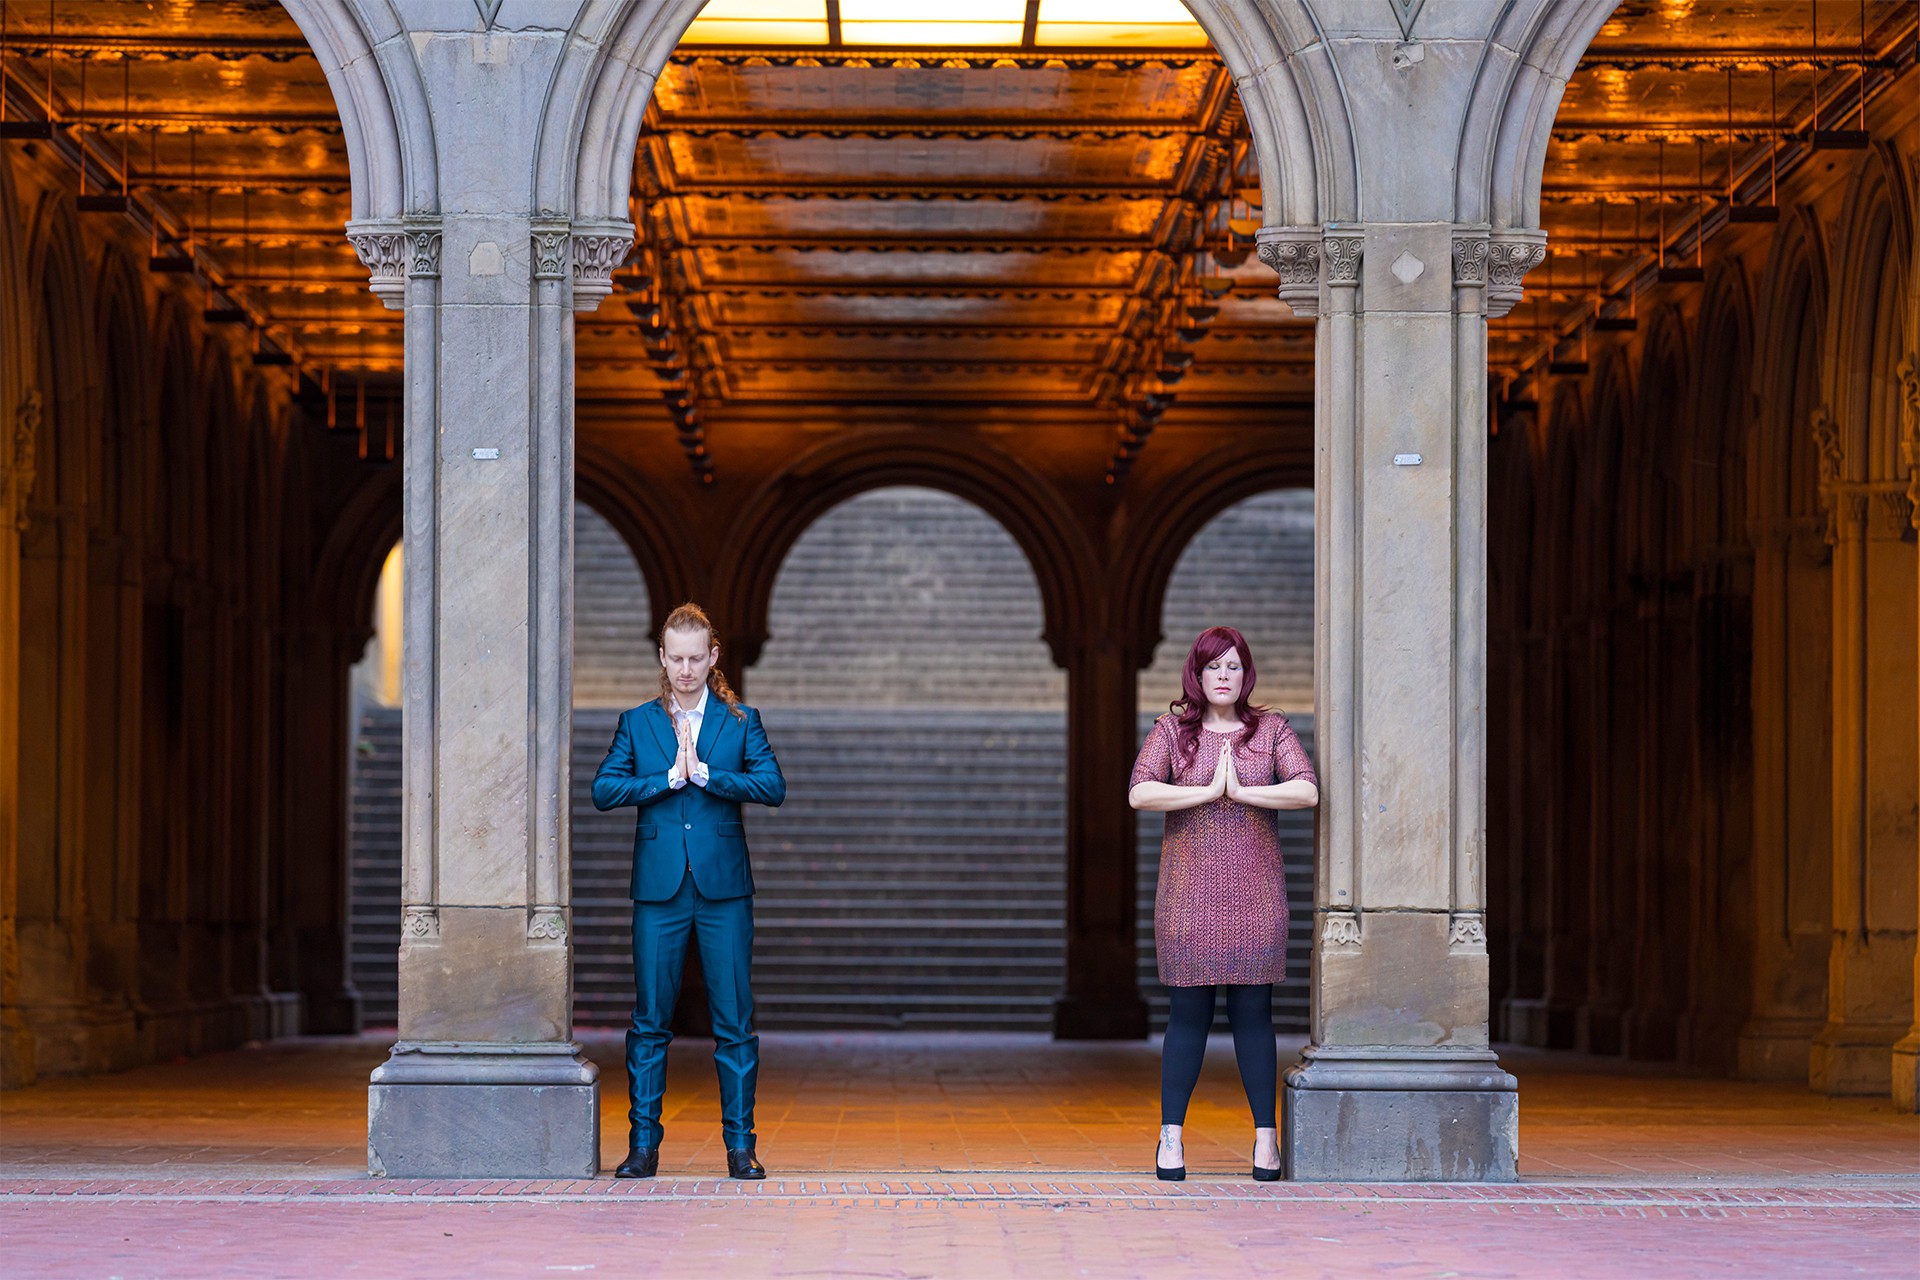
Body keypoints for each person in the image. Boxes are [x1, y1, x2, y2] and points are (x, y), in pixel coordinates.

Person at [592, 602, 787, 1180]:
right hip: (659, 892)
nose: (684, 669)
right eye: (674, 658)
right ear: (661, 657)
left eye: (695, 658)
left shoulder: (740, 721)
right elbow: (604, 790)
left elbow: (773, 786)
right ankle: (643, 1148)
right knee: (650, 1019)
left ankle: (740, 1148)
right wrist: (667, 780)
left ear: (713, 657)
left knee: (734, 1021)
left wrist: (707, 775)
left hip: (725, 891)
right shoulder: (638, 723)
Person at [1128, 625, 1319, 1181]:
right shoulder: (1173, 731)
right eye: (1214, 667)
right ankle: (1171, 1140)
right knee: (1187, 1015)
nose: (1224, 677)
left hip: (1255, 895)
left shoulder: (1270, 730)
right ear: (1197, 673)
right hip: (1188, 896)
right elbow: (1140, 791)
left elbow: (1306, 789)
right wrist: (1206, 792)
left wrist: (1242, 792)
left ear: (1246, 674)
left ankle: (1265, 1141)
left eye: (1234, 667)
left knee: (1254, 1016)